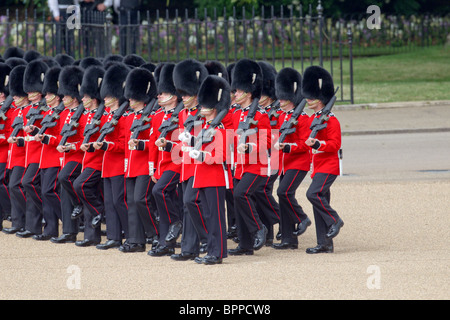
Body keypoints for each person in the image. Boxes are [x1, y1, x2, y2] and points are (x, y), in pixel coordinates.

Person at [228, 58, 271, 256]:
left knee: (240, 194)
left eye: (237, 90)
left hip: (256, 165)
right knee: (238, 200)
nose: (234, 93)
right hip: (240, 166)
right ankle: (245, 244)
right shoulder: (235, 113)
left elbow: (268, 142)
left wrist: (250, 147)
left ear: (247, 91)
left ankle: (258, 228)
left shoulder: (260, 115)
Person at [188, 75, 233, 265]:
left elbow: (221, 157)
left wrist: (202, 156)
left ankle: (218, 252)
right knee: (208, 215)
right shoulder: (205, 127)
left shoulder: (220, 129)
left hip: (214, 178)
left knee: (215, 217)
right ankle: (212, 249)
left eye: (205, 105)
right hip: (203, 177)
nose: (201, 108)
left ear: (214, 108)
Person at [302, 65, 344, 254]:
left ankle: (335, 219)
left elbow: (334, 145)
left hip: (329, 166)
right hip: (318, 166)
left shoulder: (332, 120)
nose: (308, 100)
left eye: (311, 97)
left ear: (320, 100)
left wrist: (317, 144)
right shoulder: (316, 118)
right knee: (319, 201)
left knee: (313, 194)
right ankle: (325, 243)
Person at [171, 59, 209, 261]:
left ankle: (206, 240)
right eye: (182, 93)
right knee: (187, 206)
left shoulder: (203, 113)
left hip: (199, 165)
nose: (183, 97)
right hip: (186, 166)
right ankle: (188, 248)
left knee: (192, 202)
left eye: (186, 94)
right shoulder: (183, 113)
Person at [272, 67, 311, 250]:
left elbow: (305, 144)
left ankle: (302, 218)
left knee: (283, 192)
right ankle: (289, 239)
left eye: (283, 98)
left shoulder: (303, 118)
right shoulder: (281, 116)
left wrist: (287, 147)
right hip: (284, 163)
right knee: (283, 198)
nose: (280, 100)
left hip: (299, 162)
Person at [121, 66, 159, 253]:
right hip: (131, 165)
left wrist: (140, 144)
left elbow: (152, 141)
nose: (130, 99)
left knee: (141, 200)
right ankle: (136, 240)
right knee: (131, 201)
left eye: (133, 97)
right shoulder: (129, 117)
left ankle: (156, 233)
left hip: (145, 164)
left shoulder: (151, 116)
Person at [94, 63, 131, 250]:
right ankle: (113, 237)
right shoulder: (106, 115)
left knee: (118, 200)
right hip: (107, 164)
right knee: (109, 201)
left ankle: (130, 234)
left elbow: (124, 145)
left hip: (118, 164)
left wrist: (108, 145)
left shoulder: (123, 117)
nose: (105, 98)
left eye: (108, 95)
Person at [148, 63, 183, 257]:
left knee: (159, 191)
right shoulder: (157, 116)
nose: (159, 95)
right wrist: (153, 168)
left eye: (163, 93)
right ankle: (165, 243)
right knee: (160, 198)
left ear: (174, 95)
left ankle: (176, 222)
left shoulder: (180, 116)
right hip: (162, 165)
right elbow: (154, 145)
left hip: (176, 163)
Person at [73, 64, 108, 247]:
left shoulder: (102, 116)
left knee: (80, 185)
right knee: (88, 192)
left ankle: (100, 211)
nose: (82, 99)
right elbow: (80, 138)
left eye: (85, 96)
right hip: (87, 160)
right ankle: (91, 236)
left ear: (93, 98)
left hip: (98, 162)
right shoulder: (86, 115)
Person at [51, 65, 86, 244]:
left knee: (65, 178)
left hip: (78, 157)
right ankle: (69, 231)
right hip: (65, 157)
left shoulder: (83, 114)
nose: (62, 98)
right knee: (64, 191)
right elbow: (59, 136)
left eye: (65, 95)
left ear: (74, 96)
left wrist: (70, 147)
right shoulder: (64, 113)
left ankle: (79, 203)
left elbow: (84, 140)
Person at [15, 60, 48, 239]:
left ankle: (45, 212)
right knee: (28, 187)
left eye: (33, 90)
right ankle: (33, 226)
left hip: (39, 154)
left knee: (28, 183)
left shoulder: (45, 109)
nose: (30, 93)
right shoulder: (29, 108)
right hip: (30, 153)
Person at [34, 66, 64, 240]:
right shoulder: (48, 112)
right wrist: (34, 132)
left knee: (48, 191)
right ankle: (50, 230)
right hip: (45, 158)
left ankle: (68, 220)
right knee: (46, 195)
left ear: (56, 95)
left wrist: (46, 139)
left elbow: (61, 137)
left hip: (55, 158)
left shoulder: (61, 114)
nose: (45, 97)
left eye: (48, 94)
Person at [253, 61, 281, 246]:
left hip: (273, 157)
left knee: (262, 191)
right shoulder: (259, 110)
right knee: (260, 193)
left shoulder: (276, 112)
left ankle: (284, 220)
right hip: (259, 156)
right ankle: (268, 233)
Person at [3, 65, 30, 234]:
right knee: (13, 187)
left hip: (22, 155)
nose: (15, 97)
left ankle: (29, 217)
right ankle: (18, 222)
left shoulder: (29, 110)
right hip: (13, 155)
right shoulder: (15, 111)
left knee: (15, 186)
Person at [0, 63, 13, 230]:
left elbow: (10, 133)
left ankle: (10, 211)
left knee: (2, 183)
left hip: (4, 152)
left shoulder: (8, 110)